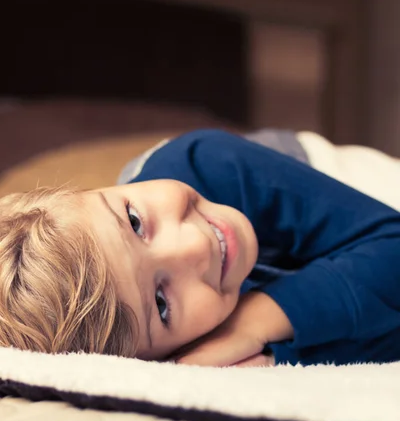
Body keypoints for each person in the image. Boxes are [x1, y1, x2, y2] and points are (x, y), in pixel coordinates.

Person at [0, 129, 400, 367]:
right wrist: (279, 352)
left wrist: (255, 323)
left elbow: (392, 246)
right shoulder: (187, 345)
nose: (195, 246)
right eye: (160, 302)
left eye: (135, 222)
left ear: (95, 191)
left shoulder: (207, 162)